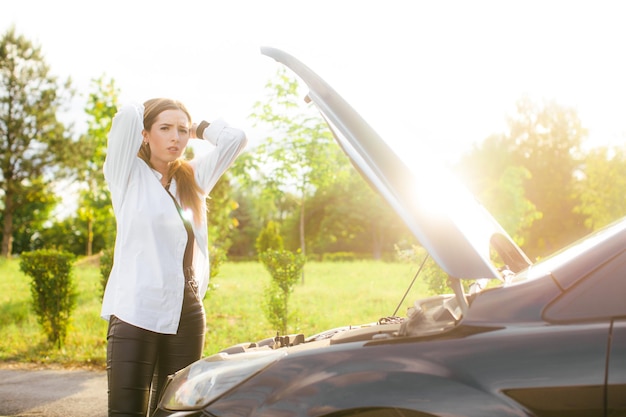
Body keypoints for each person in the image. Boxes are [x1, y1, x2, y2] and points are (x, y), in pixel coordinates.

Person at [100, 98, 247, 416]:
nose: (175, 138)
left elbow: (236, 139)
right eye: (164, 129)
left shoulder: (193, 177)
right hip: (135, 310)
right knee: (126, 411)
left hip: (187, 312)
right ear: (145, 134)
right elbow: (126, 117)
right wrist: (158, 109)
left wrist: (199, 129)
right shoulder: (125, 173)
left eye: (181, 131)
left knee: (177, 413)